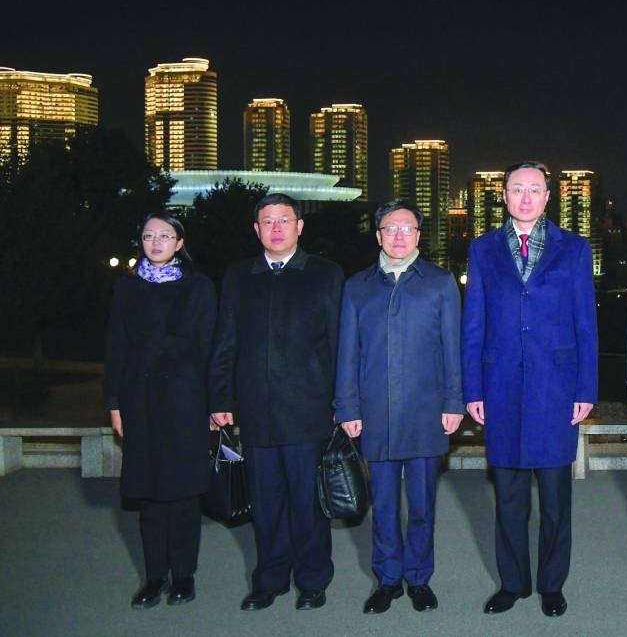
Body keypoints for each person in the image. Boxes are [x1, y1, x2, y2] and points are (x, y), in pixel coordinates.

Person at [462, 161, 598, 617]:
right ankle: (513, 582)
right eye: (516, 189)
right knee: (509, 496)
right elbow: (473, 323)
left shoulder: (575, 249)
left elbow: (586, 324)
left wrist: (586, 388)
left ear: (547, 197)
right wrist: (472, 387)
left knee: (556, 499)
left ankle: (551, 584)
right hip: (499, 385)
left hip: (556, 387)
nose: (525, 197)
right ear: (503, 196)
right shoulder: (482, 250)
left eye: (534, 190)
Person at [208, 193, 344, 611]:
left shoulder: (325, 274)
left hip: (308, 410)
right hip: (256, 410)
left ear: (300, 227)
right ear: (256, 229)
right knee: (265, 505)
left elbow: (339, 343)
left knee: (308, 503)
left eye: (285, 220)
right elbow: (225, 340)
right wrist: (220, 397)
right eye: (268, 221)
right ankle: (269, 580)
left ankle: (312, 580)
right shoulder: (238, 276)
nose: (277, 228)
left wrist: (344, 402)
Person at [335, 200, 464, 614]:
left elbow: (452, 349)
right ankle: (387, 579)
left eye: (407, 229)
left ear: (419, 236)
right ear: (377, 235)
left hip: (427, 412)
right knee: (384, 504)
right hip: (375, 413)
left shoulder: (440, 283)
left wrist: (454, 401)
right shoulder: (357, 286)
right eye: (390, 229)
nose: (398, 236)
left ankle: (419, 578)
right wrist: (348, 407)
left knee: (423, 504)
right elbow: (347, 356)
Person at [104, 211, 217, 609]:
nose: (156, 242)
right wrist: (114, 402)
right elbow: (116, 346)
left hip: (186, 401)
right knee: (149, 492)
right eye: (149, 235)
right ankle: (154, 577)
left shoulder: (199, 288)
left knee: (184, 494)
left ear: (180, 243)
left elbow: (207, 348)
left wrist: (213, 403)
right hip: (141, 400)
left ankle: (183, 575)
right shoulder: (127, 288)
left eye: (165, 236)